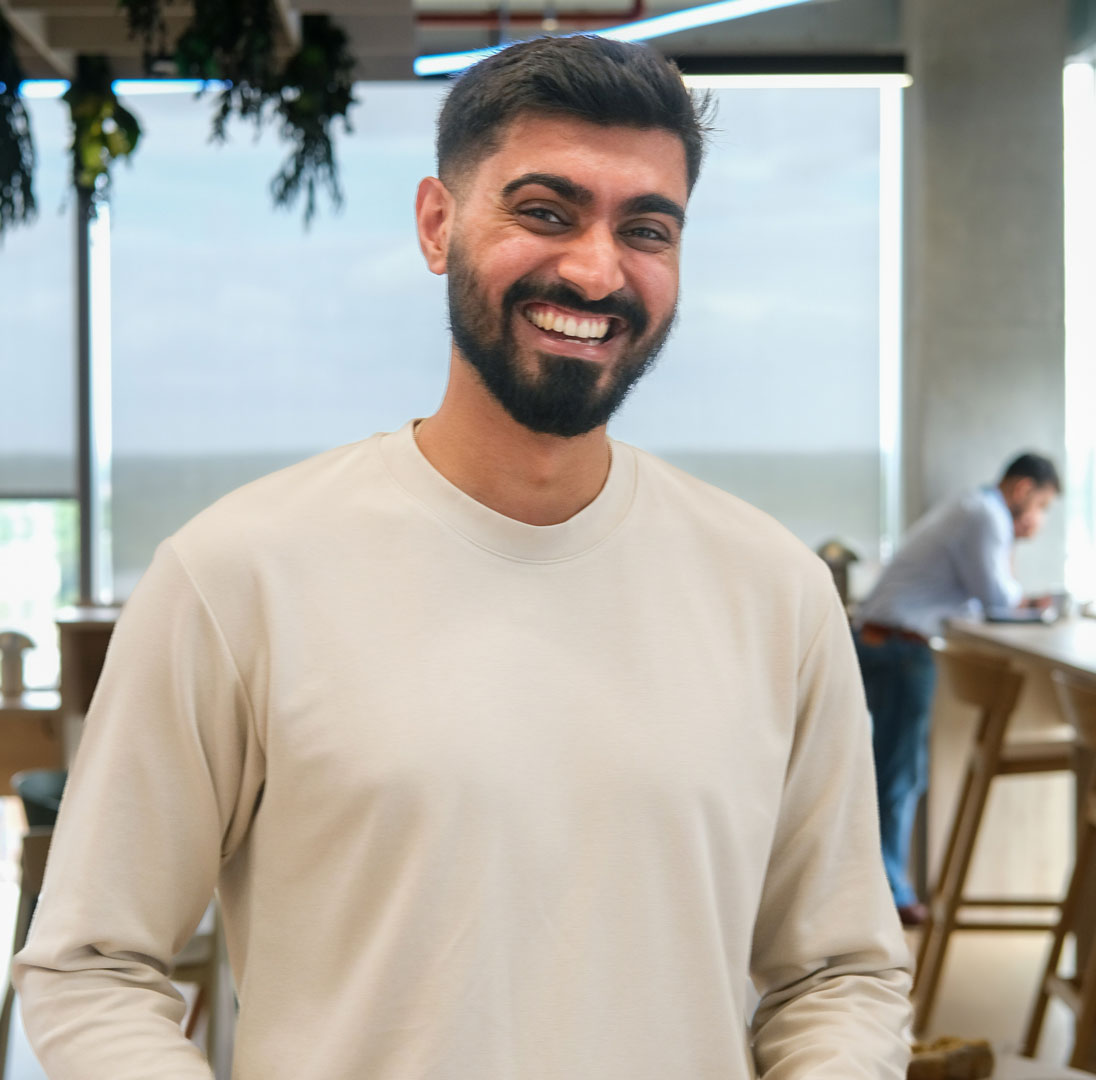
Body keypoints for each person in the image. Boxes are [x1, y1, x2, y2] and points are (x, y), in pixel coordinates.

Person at [15, 35, 911, 1079]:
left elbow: (838, 973)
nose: (595, 266)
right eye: (545, 211)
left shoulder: (775, 593)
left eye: (646, 228)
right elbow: (92, 962)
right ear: (438, 225)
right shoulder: (237, 575)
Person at [854, 452, 1061, 926]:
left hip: (881, 639)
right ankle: (889, 894)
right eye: (1043, 506)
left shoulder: (972, 508)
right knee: (898, 777)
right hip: (899, 649)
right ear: (1024, 489)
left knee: (890, 773)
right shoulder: (986, 515)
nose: (1040, 520)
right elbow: (998, 597)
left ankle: (882, 888)